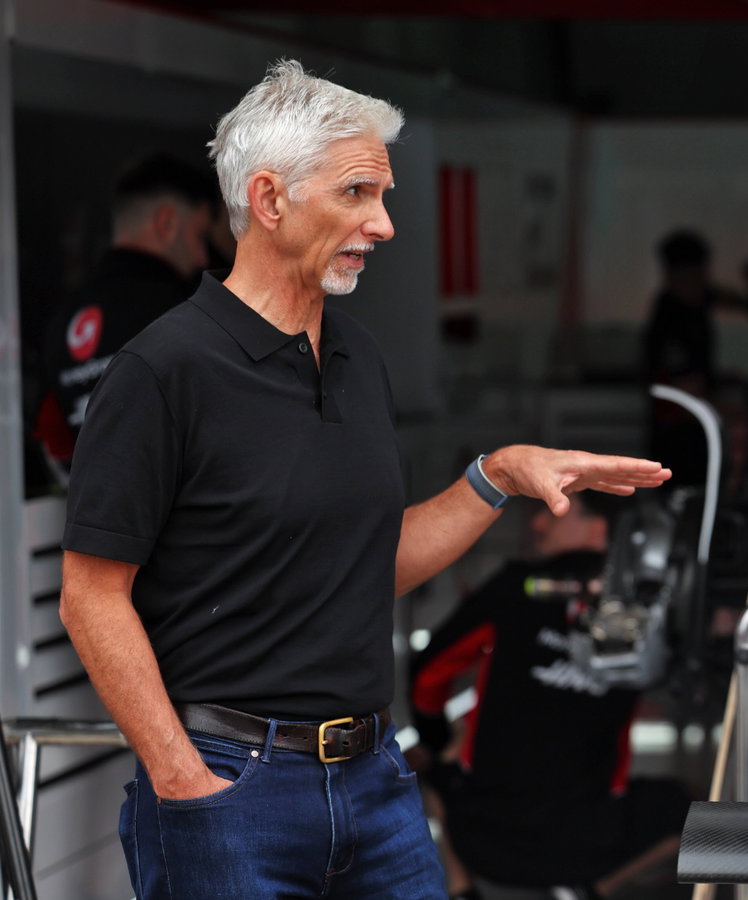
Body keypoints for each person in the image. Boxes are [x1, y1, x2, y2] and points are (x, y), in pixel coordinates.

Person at [57, 60, 670, 900]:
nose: (383, 224)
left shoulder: (355, 355)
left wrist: (497, 476)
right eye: (356, 193)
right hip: (229, 788)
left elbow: (364, 567)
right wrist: (180, 776)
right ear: (269, 201)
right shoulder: (162, 371)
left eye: (381, 195)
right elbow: (91, 597)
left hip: (375, 783)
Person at [410, 492, 689, 900]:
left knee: (432, 761)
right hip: (591, 847)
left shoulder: (513, 587)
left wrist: (436, 741)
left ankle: (461, 888)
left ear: (599, 528)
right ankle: (590, 891)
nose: (538, 523)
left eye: (555, 514)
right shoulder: (649, 610)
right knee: (691, 807)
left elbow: (429, 673)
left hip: (481, 838)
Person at [34, 154, 216, 464]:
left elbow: (55, 442)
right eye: (200, 237)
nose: (203, 257)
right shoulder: (187, 308)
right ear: (167, 222)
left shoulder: (61, 323)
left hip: (95, 492)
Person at [643, 228, 736, 483]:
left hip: (690, 433)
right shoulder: (672, 319)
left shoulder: (694, 308)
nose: (702, 281)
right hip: (678, 438)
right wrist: (735, 413)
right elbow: (685, 388)